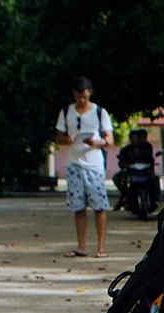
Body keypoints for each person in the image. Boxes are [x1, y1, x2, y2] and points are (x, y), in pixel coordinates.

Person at [53, 76, 113, 258]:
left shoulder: (100, 112)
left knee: (99, 206)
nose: (81, 100)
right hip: (74, 164)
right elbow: (58, 137)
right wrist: (68, 139)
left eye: (84, 97)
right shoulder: (66, 112)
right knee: (78, 207)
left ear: (90, 93)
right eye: (78, 97)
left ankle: (101, 247)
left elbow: (110, 140)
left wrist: (96, 142)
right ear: (74, 94)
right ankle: (81, 246)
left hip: (93, 164)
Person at [114, 129, 159, 210]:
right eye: (132, 138)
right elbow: (121, 161)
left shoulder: (146, 147)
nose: (134, 140)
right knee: (119, 179)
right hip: (131, 171)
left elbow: (151, 159)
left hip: (145, 171)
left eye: (136, 138)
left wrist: (150, 165)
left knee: (154, 179)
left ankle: (155, 198)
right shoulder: (126, 149)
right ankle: (124, 197)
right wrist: (125, 165)